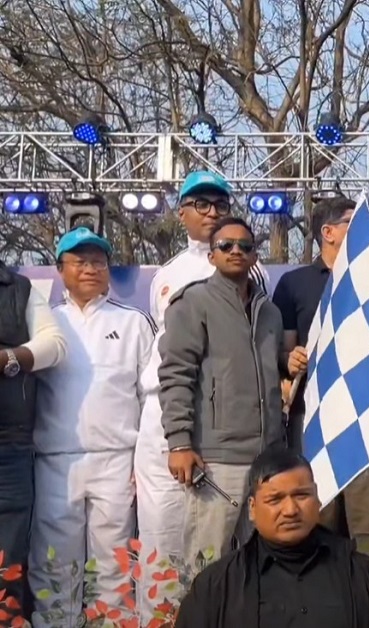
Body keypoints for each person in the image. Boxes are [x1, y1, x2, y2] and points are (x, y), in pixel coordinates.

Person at [135, 170, 268, 592]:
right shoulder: (168, 275)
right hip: (168, 417)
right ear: (182, 213)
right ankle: (161, 618)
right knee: (165, 533)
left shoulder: (258, 277)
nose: (212, 212)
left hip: (231, 434)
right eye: (201, 204)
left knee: (237, 548)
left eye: (220, 204)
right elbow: (173, 362)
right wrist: (179, 439)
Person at [273, 195, 369, 584]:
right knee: (317, 518)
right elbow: (282, 350)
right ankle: (317, 602)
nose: (363, 229)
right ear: (327, 232)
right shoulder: (294, 283)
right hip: (315, 422)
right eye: (352, 221)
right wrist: (289, 359)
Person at [28, 229, 155, 626]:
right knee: (53, 560)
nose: (90, 269)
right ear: (60, 269)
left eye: (98, 262)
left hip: (117, 459)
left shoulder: (133, 321)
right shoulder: (45, 323)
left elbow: (149, 396)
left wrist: (143, 460)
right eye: (80, 262)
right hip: (56, 461)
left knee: (114, 562)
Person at [158, 216, 288, 563]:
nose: (235, 251)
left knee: (259, 565)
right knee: (207, 565)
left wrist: (289, 362)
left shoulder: (270, 312)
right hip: (216, 460)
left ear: (255, 255)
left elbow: (268, 370)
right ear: (211, 255)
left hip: (266, 460)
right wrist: (180, 443)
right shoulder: (193, 302)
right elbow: (175, 374)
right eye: (225, 245)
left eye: (245, 246)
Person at [174, 448, 369, 627]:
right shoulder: (217, 586)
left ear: (317, 498)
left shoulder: (357, 572)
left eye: (301, 495)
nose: (290, 510)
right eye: (275, 500)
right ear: (252, 508)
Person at [0, 258, 66, 615]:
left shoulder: (18, 288)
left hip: (8, 446)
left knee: (7, 559)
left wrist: (9, 358)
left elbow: (54, 344)